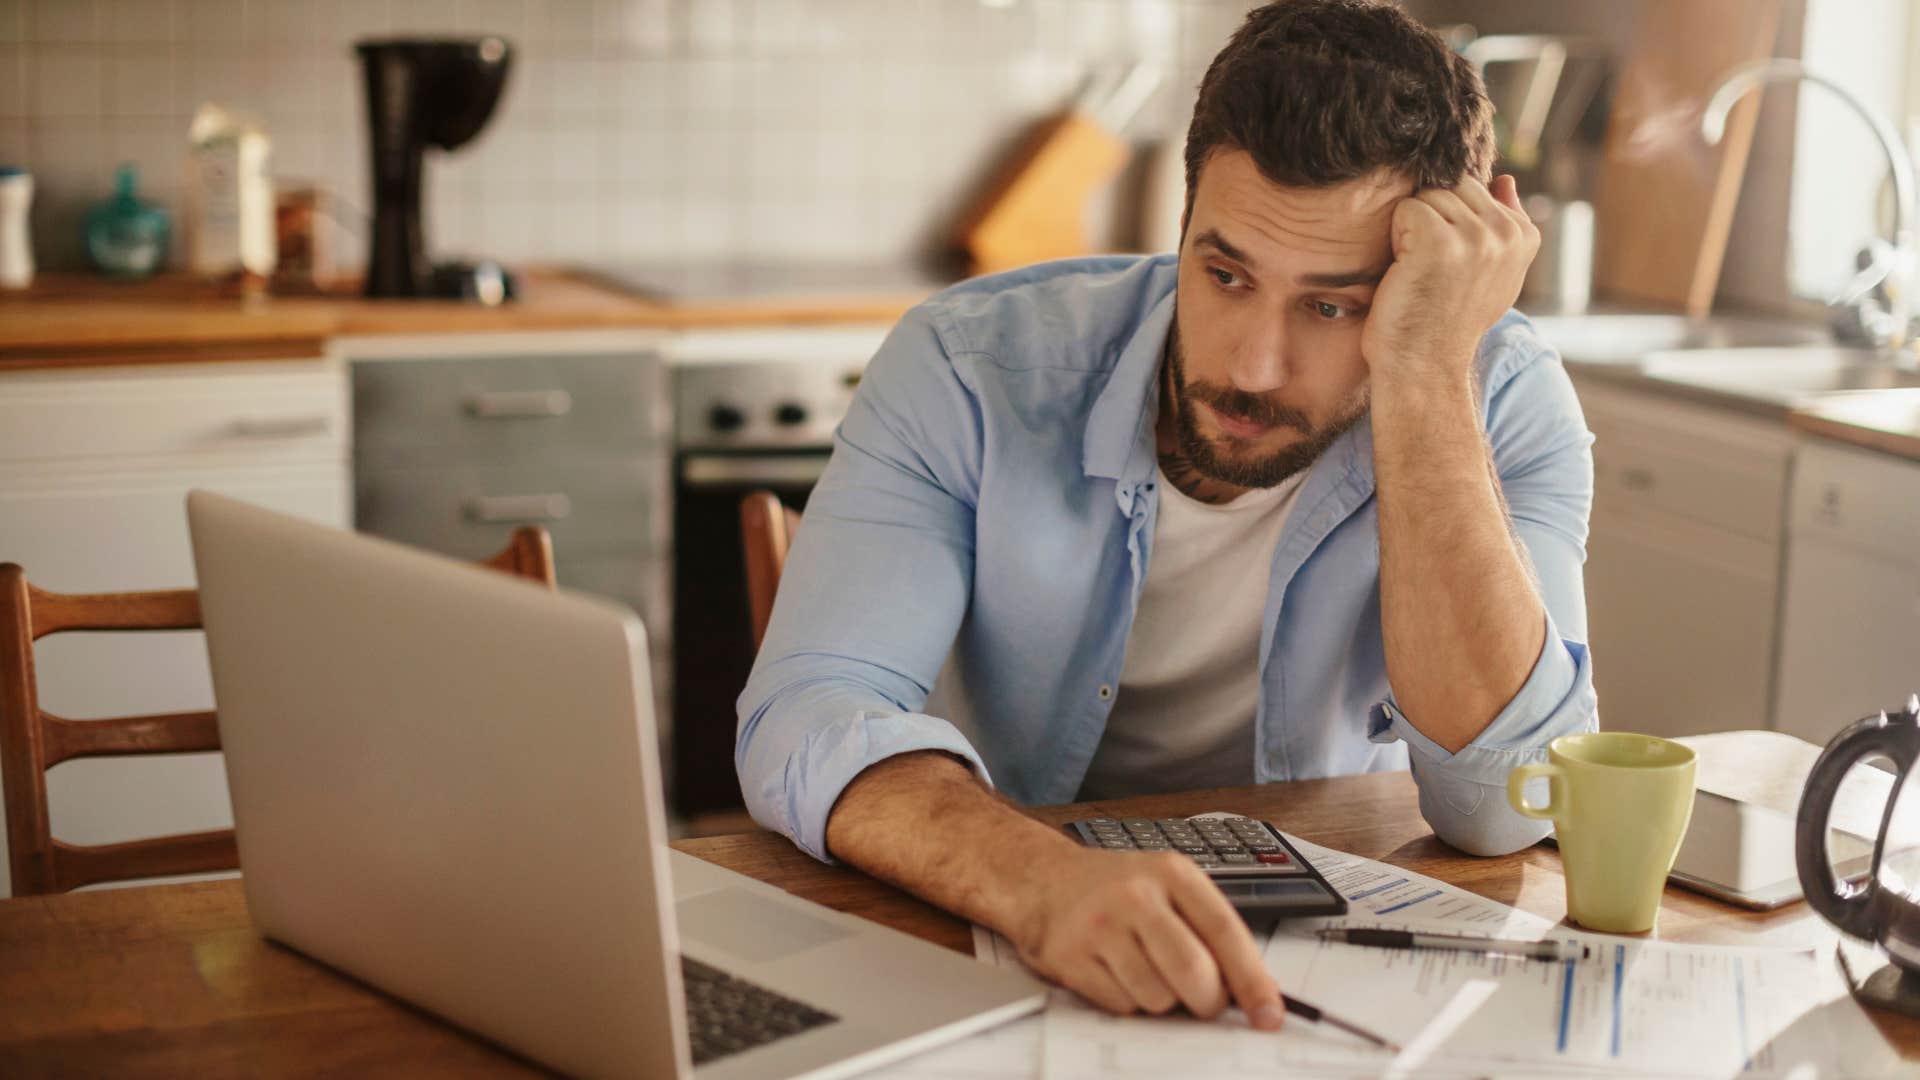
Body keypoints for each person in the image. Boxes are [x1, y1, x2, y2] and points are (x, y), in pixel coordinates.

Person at [736, 0, 1596, 1031]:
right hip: (1001, 930)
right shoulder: (969, 368)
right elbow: (808, 712)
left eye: (1335, 304)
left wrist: (1421, 375)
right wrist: (1039, 880)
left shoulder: (1495, 400)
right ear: (1178, 224)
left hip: (1323, 983)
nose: (1252, 365)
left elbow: (1504, 803)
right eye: (1224, 274)